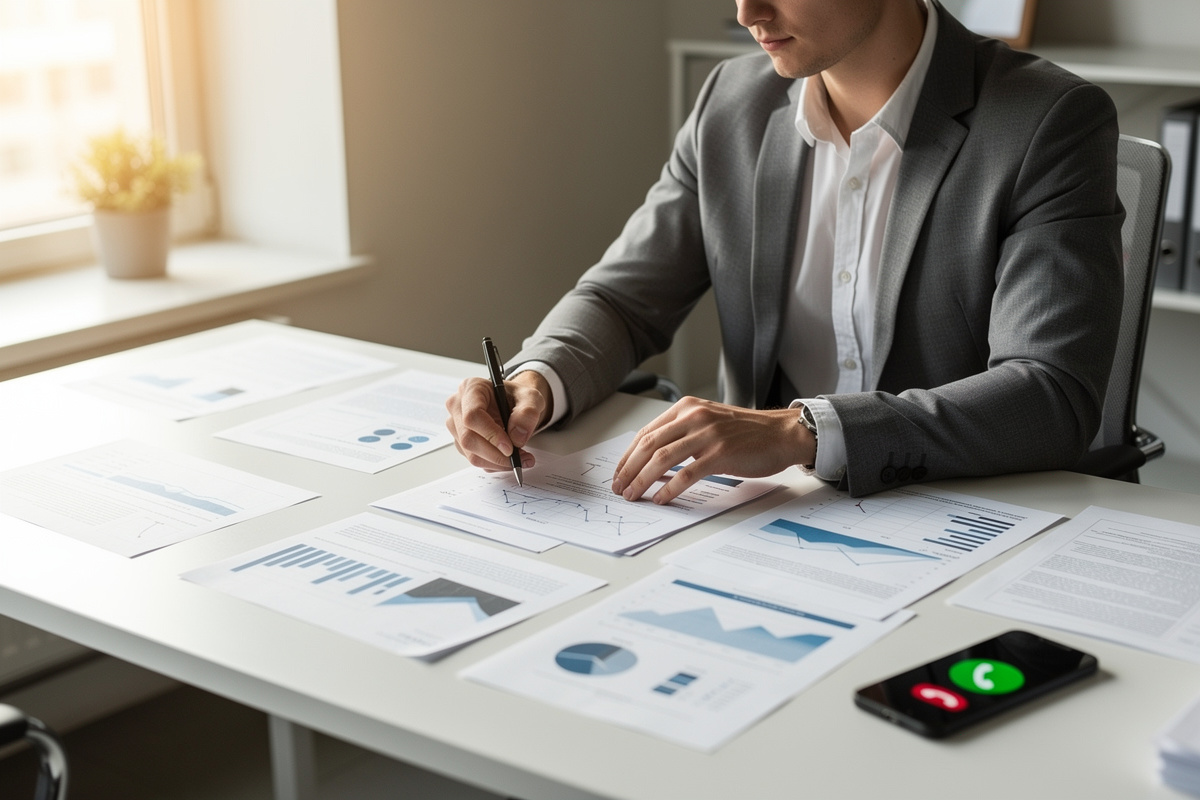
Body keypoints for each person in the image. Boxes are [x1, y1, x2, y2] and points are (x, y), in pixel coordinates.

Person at [445, 0, 1124, 499]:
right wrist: (538, 379)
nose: (746, 11)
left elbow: (1049, 392)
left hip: (954, 508)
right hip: (759, 515)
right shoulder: (731, 102)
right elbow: (623, 300)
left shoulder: (1046, 120)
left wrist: (803, 430)